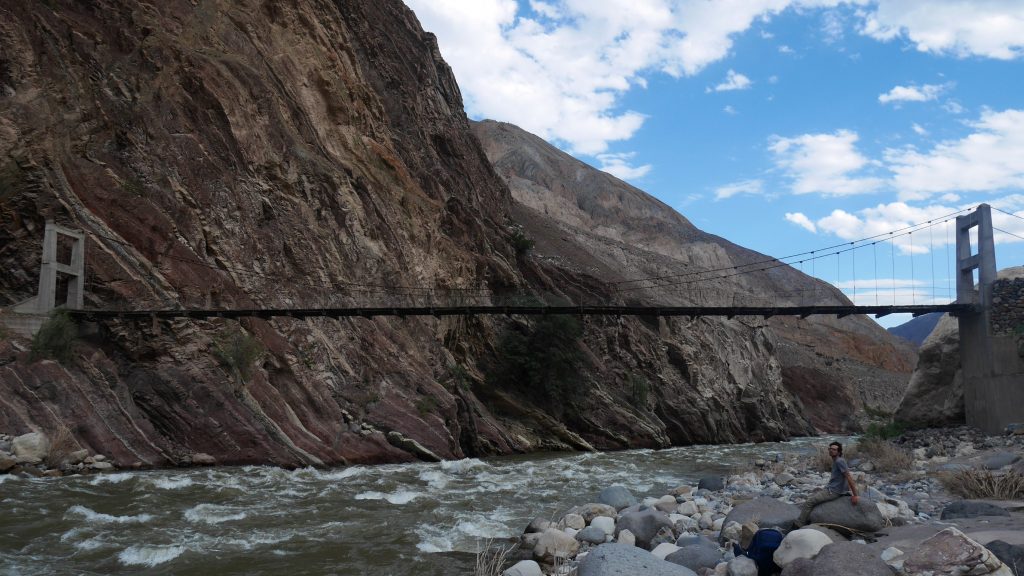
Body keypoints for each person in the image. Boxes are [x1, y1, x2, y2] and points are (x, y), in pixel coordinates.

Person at [798, 441, 859, 526]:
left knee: (809, 502)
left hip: (833, 491)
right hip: (833, 489)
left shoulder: (839, 461)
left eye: (834, 449)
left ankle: (799, 524)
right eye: (830, 449)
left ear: (839, 452)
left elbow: (848, 477)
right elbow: (844, 477)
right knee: (814, 497)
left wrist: (855, 495)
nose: (831, 450)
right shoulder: (836, 461)